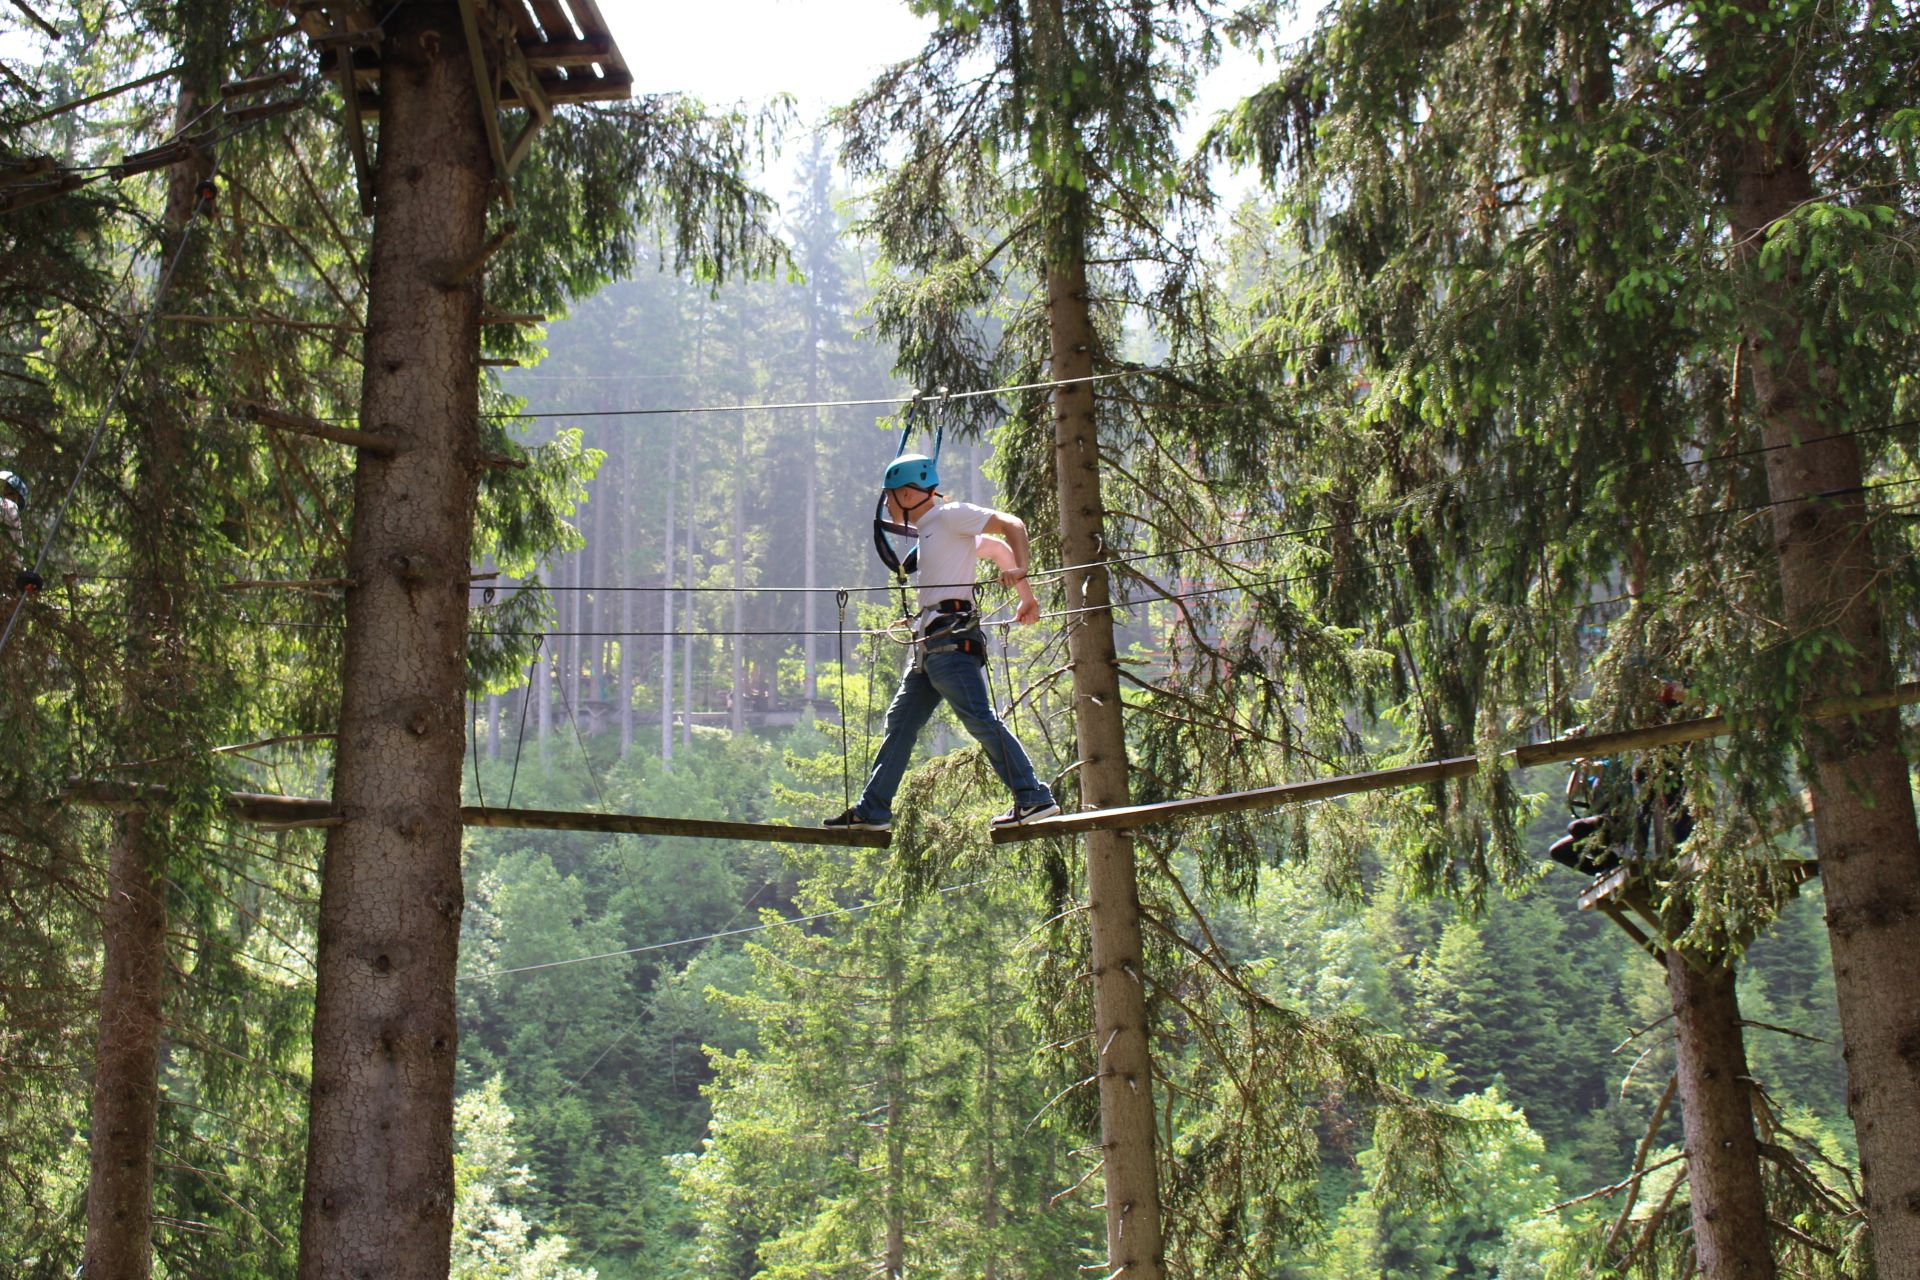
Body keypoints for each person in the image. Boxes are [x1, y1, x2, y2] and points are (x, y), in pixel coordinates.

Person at [825, 453, 1060, 832]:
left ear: (906, 494)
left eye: (889, 497)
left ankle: (1033, 797)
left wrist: (1023, 573)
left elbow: (1012, 526)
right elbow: (997, 551)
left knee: (979, 718)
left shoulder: (951, 516)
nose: (886, 505)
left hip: (951, 643)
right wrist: (1025, 597)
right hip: (929, 647)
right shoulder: (933, 531)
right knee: (900, 724)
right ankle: (873, 810)